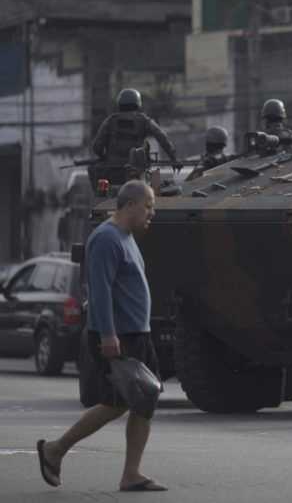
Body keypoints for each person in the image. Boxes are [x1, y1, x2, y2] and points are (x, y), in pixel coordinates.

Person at [36, 180, 167, 492]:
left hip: (137, 333)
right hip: (118, 335)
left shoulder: (126, 237)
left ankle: (131, 474)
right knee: (116, 403)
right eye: (148, 206)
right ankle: (55, 449)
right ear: (131, 204)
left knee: (144, 401)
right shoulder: (106, 239)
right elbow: (100, 292)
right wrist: (108, 336)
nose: (151, 213)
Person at [89, 88, 181, 187]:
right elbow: (162, 138)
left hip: (113, 172)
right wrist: (174, 159)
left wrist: (105, 158)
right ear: (138, 103)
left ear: (119, 104)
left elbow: (96, 147)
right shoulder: (144, 120)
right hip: (138, 172)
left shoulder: (110, 121)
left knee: (93, 171)